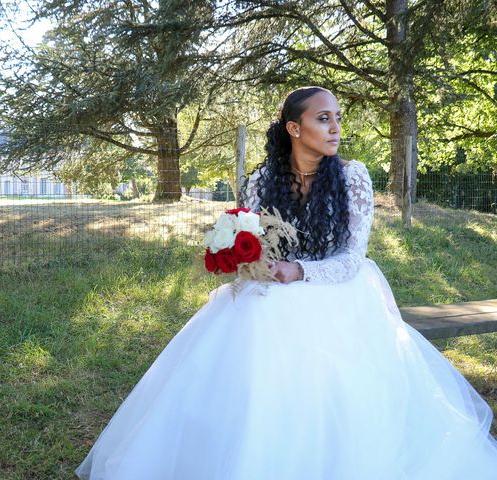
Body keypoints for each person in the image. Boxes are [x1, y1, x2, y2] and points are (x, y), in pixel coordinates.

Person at [75, 86, 497, 479]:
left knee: (296, 331)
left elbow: (353, 257)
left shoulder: (352, 176)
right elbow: (255, 241)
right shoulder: (262, 180)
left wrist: (301, 271)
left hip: (339, 289)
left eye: (337, 118)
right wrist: (248, 262)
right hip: (276, 286)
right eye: (323, 119)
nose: (335, 128)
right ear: (294, 128)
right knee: (250, 314)